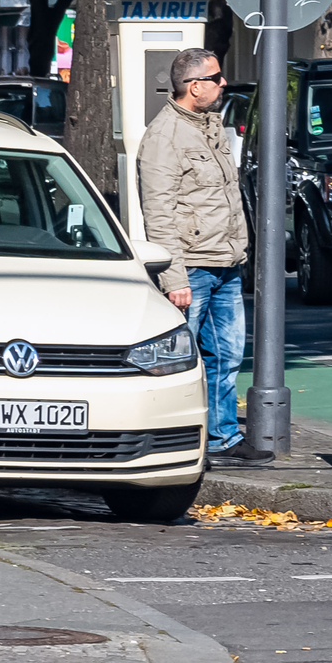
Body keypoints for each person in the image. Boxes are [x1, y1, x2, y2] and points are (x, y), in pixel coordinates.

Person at [135, 48, 265, 464]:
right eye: (216, 77)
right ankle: (184, 441)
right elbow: (159, 214)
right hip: (191, 268)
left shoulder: (210, 126)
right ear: (195, 87)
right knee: (183, 362)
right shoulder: (164, 137)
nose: (223, 83)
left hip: (225, 263)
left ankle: (223, 437)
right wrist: (175, 279)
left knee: (227, 355)